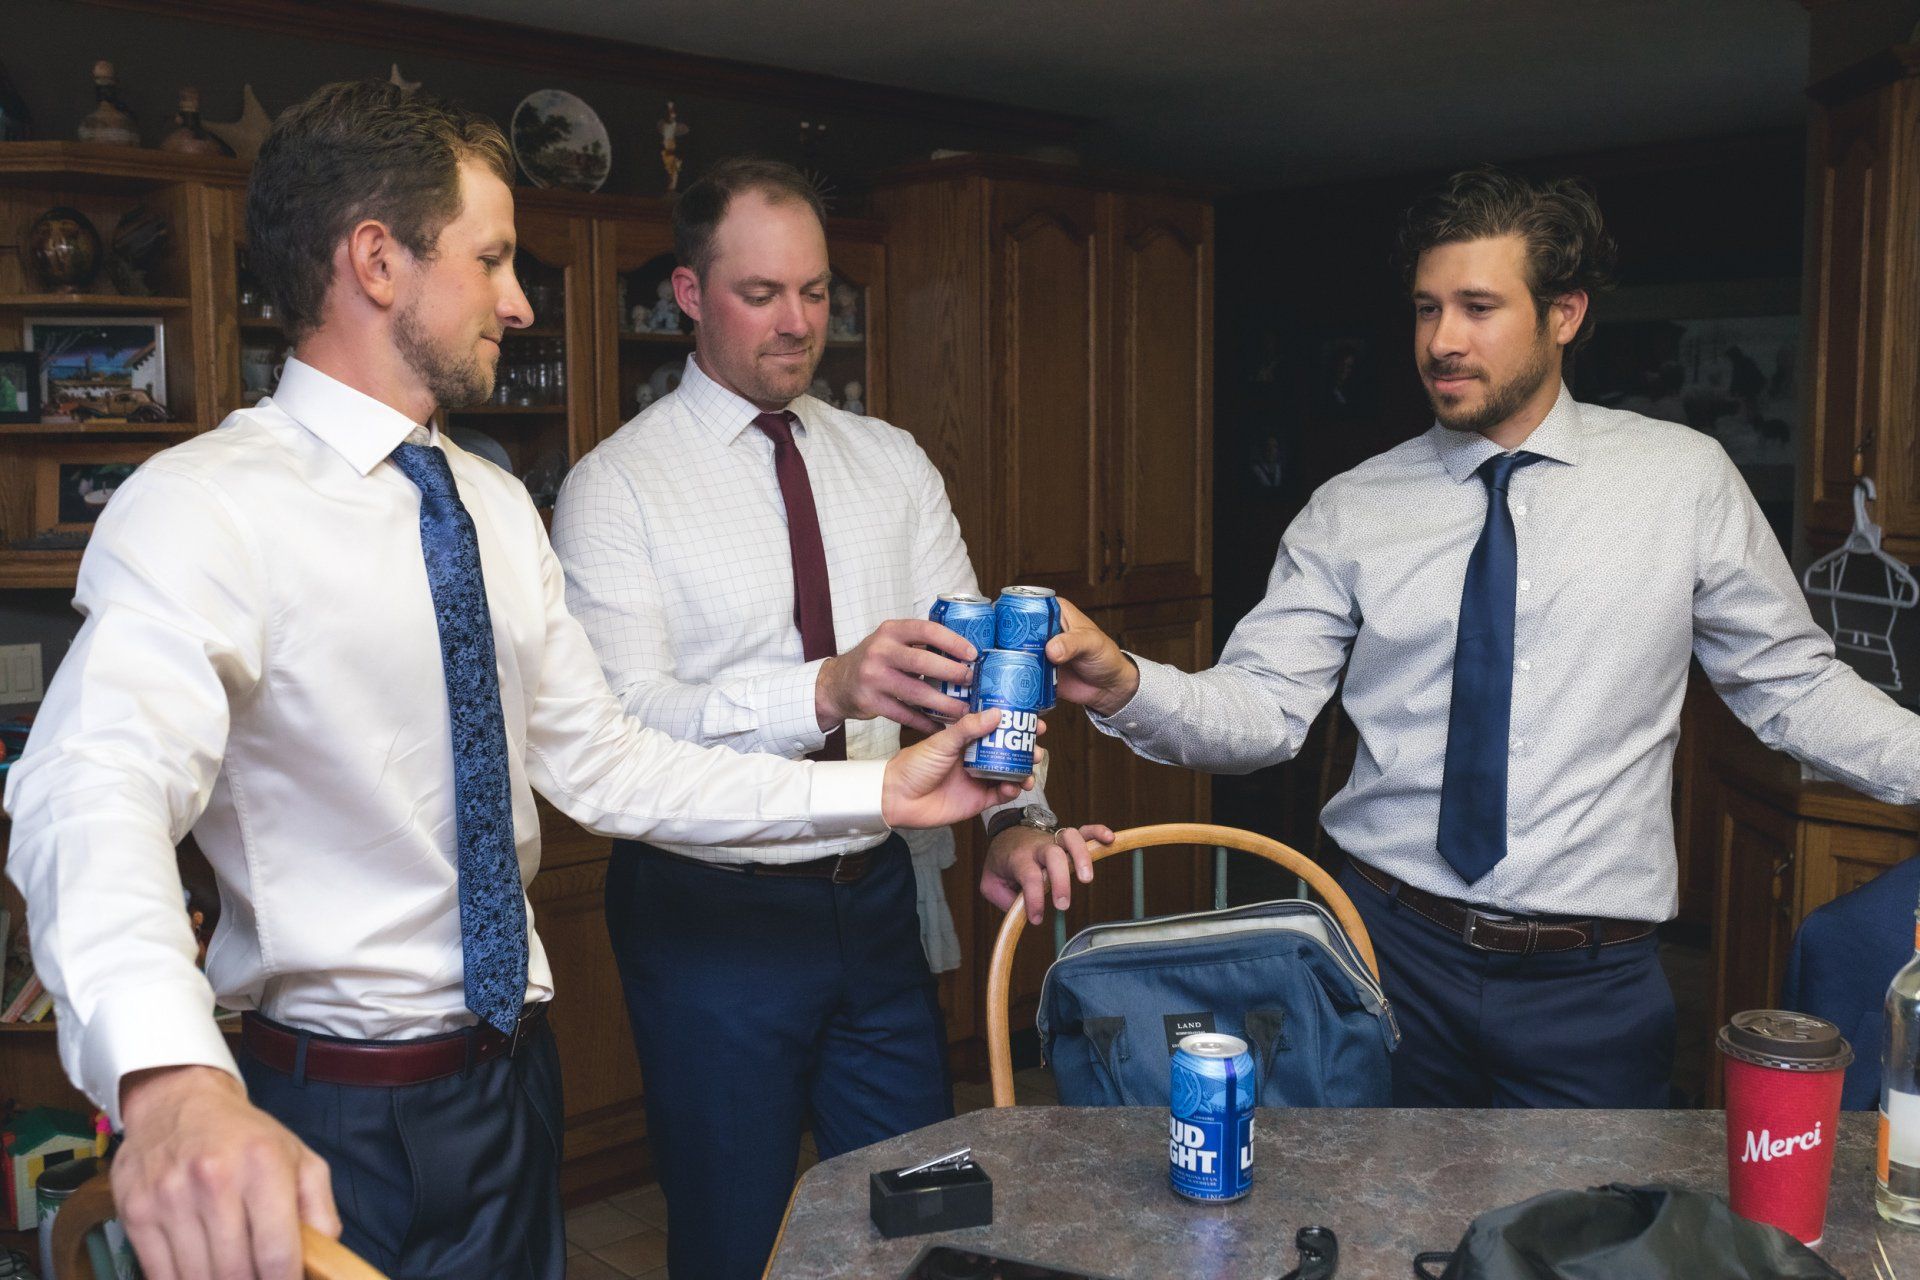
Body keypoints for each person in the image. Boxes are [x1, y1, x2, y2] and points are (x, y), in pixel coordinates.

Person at [3, 84, 1026, 1280]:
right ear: (377, 261)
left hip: (512, 1084)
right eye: (490, 258)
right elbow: (92, 786)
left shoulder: (490, 504)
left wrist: (878, 793)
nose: (521, 299)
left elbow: (610, 762)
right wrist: (169, 1078)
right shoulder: (204, 507)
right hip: (330, 1114)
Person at [1047, 165, 1920, 1111]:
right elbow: (1262, 711)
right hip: (1383, 954)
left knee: (1586, 1213)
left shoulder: (1684, 481)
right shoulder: (1352, 507)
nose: (1442, 341)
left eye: (1478, 307)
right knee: (1369, 1208)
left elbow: (1794, 686)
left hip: (1593, 982)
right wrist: (1124, 682)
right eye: (1427, 309)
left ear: (1565, 314)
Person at [551, 157, 1110, 1280]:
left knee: (921, 1221)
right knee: (735, 1237)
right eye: (761, 294)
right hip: (709, 915)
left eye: (816, 292)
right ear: (689, 293)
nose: (799, 322)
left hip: (876, 901)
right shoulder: (616, 488)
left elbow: (982, 681)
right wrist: (823, 689)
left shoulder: (890, 462)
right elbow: (625, 723)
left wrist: (1014, 820)